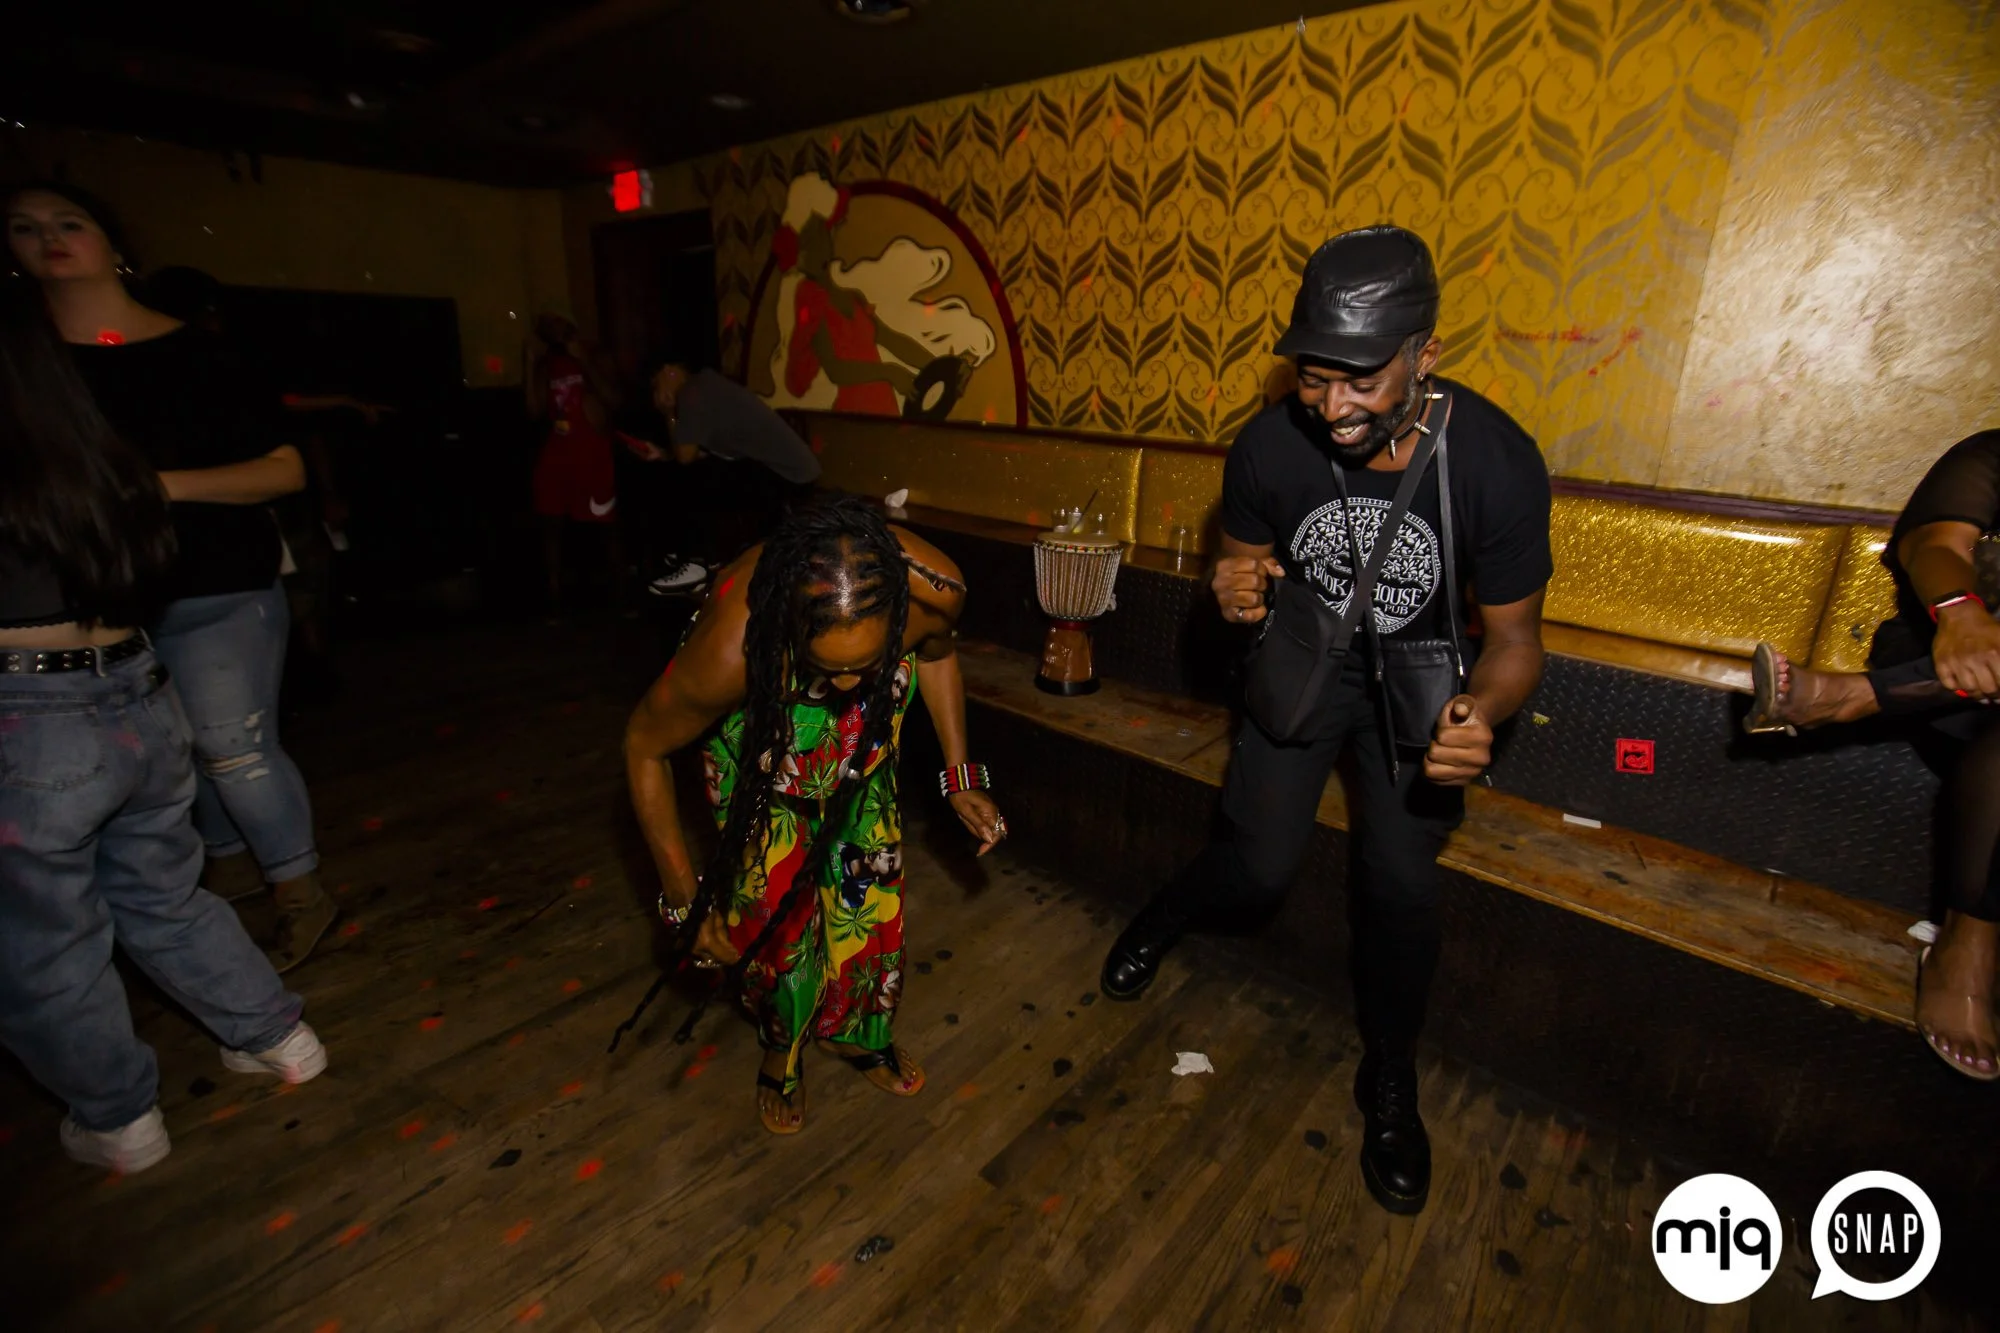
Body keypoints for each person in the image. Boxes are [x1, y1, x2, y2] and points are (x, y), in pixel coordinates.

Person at [1097, 228, 1553, 1217]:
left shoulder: (1495, 460)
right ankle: (1167, 910)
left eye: (1361, 381)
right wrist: (1232, 590)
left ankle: (1388, 1075)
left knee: (1399, 885)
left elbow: (1517, 641)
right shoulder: (1270, 444)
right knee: (1257, 865)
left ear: (1424, 355)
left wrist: (1482, 711)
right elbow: (1239, 567)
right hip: (1307, 661)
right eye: (1314, 377)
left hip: (1421, 685)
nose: (1333, 406)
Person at [0, 285, 327, 1176]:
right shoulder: (82, 439)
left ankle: (118, 1117)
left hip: (34, 708)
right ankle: (275, 1034)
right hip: (132, 684)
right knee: (163, 891)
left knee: (42, 939)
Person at [6, 182, 336, 972]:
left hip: (218, 585)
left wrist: (156, 487)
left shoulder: (201, 355)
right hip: (89, 603)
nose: (48, 238)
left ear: (114, 243)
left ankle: (300, 892)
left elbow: (286, 469)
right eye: (24, 228)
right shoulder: (23, 366)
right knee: (168, 760)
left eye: (69, 222)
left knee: (234, 747)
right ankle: (217, 880)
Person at [623, 497, 1005, 1135]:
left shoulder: (934, 593)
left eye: (868, 664)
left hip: (862, 749)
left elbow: (938, 657)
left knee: (870, 894)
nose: (849, 685)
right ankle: (784, 1044)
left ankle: (858, 1031)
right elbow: (643, 747)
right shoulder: (732, 650)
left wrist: (959, 775)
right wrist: (686, 903)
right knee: (777, 918)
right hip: (761, 754)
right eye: (832, 668)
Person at [1745, 429, 2000, 1080]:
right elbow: (1932, 542)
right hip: (1946, 672)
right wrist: (1961, 611)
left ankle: (1855, 698)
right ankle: (1967, 951)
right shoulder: (1993, 455)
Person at [614, 362, 823, 597]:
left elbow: (686, 459)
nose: (656, 397)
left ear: (669, 371)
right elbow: (699, 452)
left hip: (788, 479)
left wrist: (668, 414)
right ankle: (704, 557)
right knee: (705, 470)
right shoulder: (705, 387)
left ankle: (697, 563)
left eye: (655, 386)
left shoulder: (692, 391)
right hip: (791, 476)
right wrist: (662, 454)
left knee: (694, 476)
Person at [526, 314, 621, 608]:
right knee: (550, 523)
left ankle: (620, 591)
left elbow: (614, 400)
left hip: (594, 452)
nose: (554, 330)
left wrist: (585, 362)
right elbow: (533, 410)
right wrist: (529, 363)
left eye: (558, 323)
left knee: (607, 527)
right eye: (547, 326)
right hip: (559, 452)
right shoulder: (545, 364)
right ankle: (553, 592)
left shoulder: (595, 355)